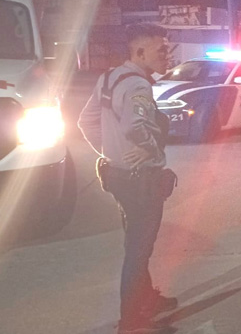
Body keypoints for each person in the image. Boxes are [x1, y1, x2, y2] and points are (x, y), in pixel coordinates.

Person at [78, 24, 177, 334]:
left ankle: (148, 299)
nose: (167, 55)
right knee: (138, 250)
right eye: (161, 50)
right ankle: (132, 322)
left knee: (137, 244)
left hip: (119, 176)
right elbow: (135, 126)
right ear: (140, 52)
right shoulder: (138, 85)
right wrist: (150, 149)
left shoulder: (109, 78)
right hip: (140, 181)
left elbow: (85, 121)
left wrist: (111, 151)